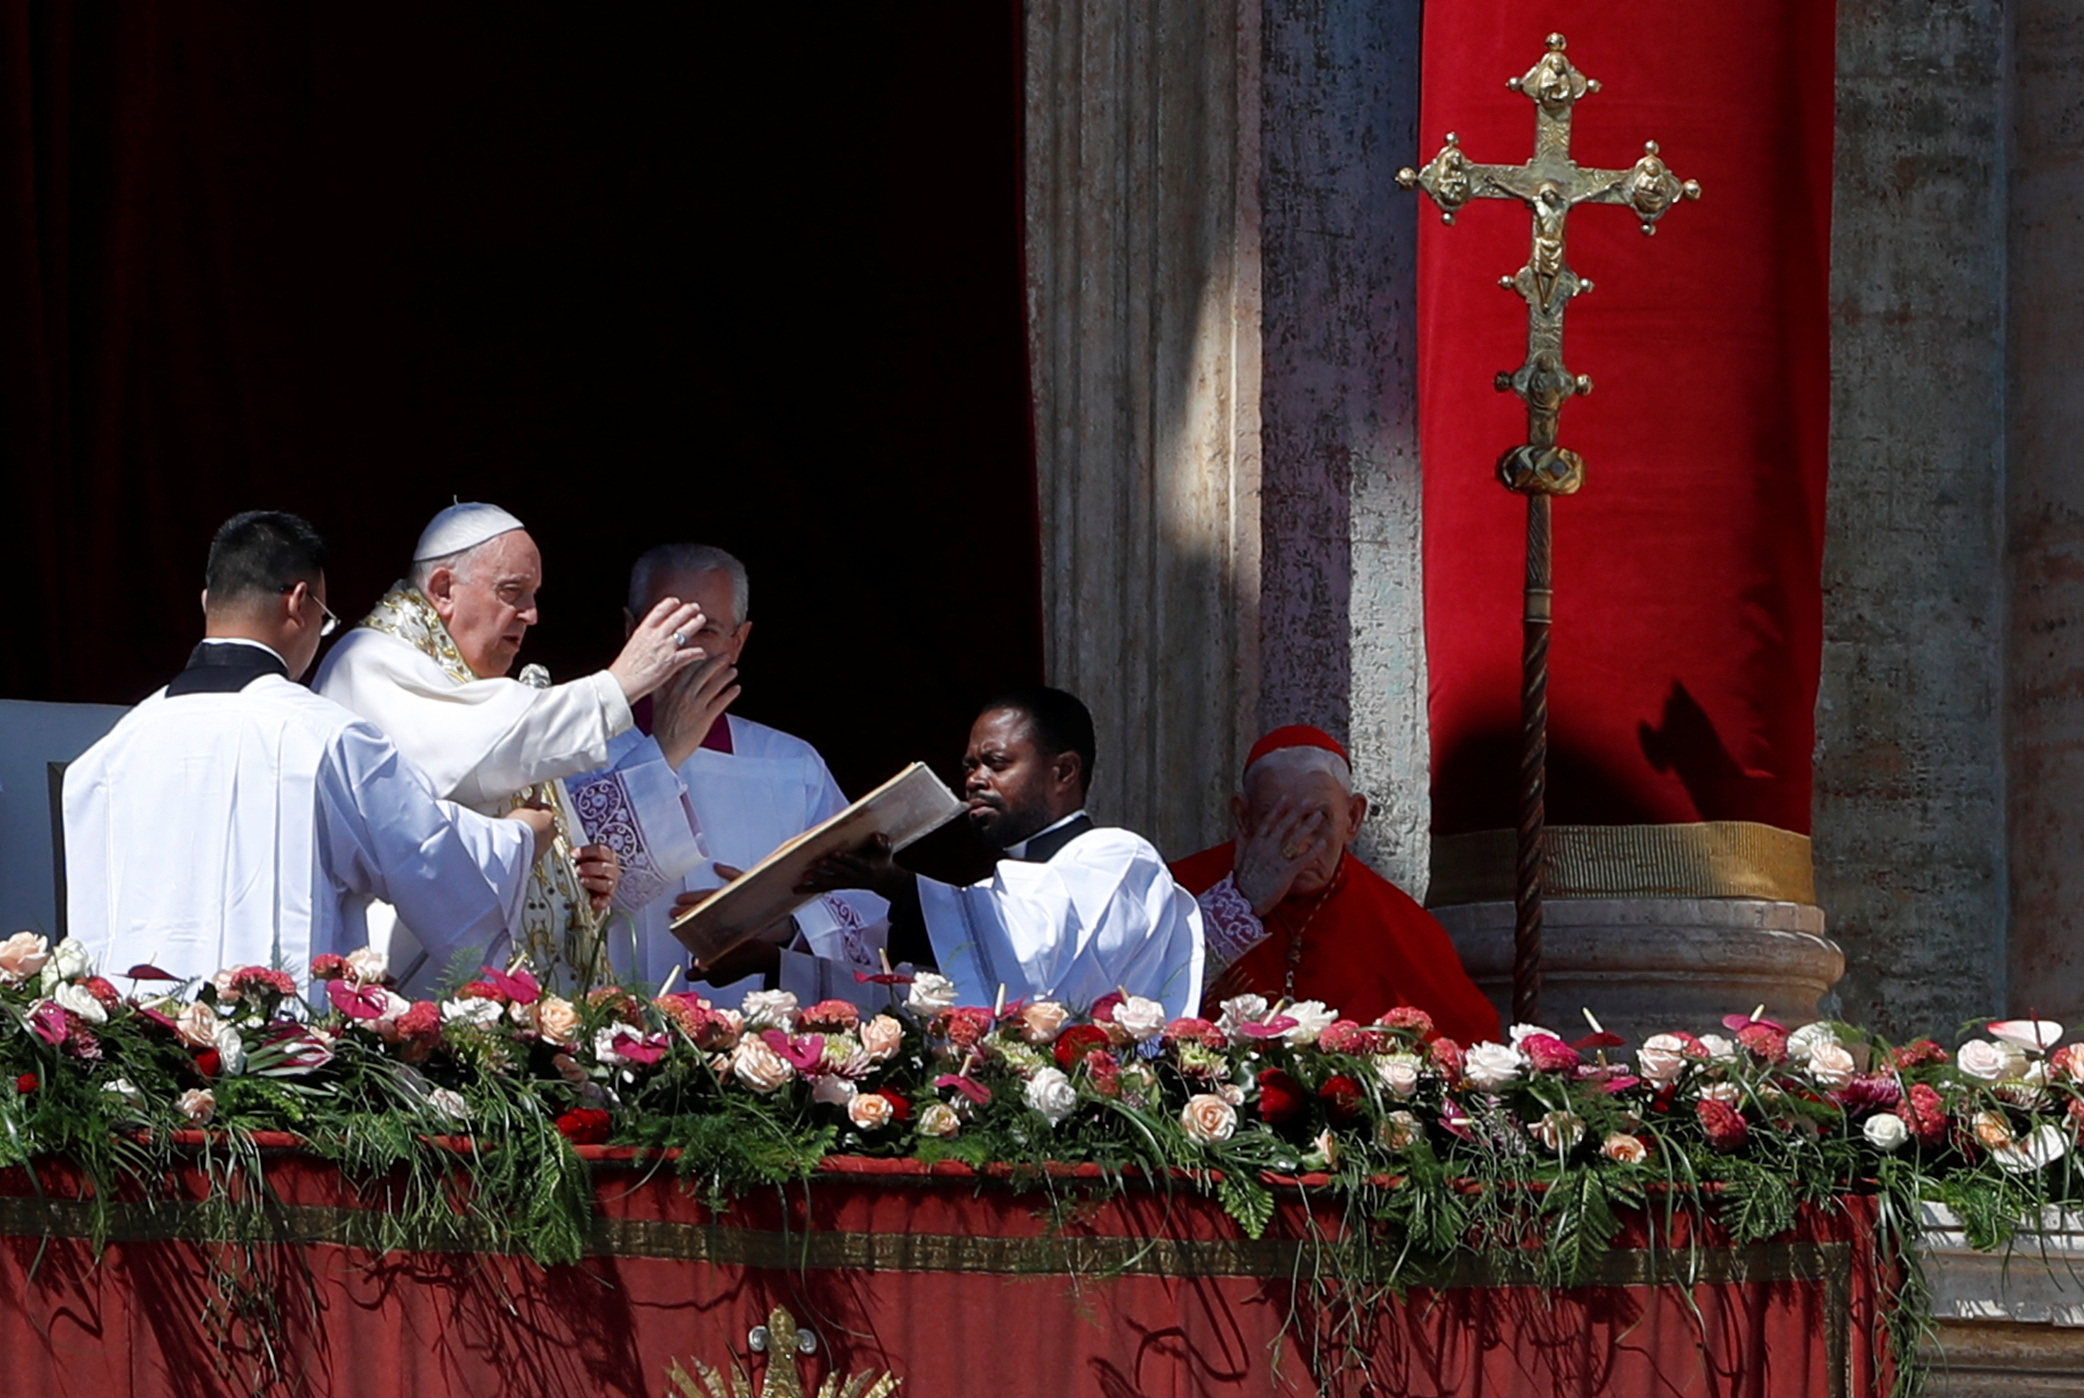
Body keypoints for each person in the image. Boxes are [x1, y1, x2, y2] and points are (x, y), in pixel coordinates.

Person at [63, 511, 552, 990]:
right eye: (325, 618)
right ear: (300, 602)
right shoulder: (327, 737)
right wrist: (516, 839)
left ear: (209, 600)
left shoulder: (106, 756)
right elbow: (425, 855)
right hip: (280, 1054)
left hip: (140, 1052)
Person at [313, 502, 724, 989]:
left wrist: (576, 879)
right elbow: (488, 751)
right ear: (444, 588)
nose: (531, 615)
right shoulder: (371, 663)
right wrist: (618, 685)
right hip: (412, 988)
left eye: (533, 595)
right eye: (513, 593)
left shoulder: (475, 686)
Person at [807, 686, 1204, 1018]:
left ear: (1064, 771)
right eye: (969, 767)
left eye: (996, 763)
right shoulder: (988, 900)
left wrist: (900, 885)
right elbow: (922, 981)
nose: (975, 780)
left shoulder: (1120, 858)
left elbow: (1036, 955)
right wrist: (775, 958)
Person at [616, 544, 888, 1006]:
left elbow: (865, 910)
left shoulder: (790, 765)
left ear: (738, 641)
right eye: (665, 626)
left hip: (757, 1050)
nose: (685, 647)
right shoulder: (577, 750)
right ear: (630, 630)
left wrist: (783, 926)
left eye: (708, 629)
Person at [1171, 725, 1499, 1044]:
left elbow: (1466, 1057)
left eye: (1317, 820)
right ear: (1243, 818)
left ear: (1353, 818)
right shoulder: (1180, 892)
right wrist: (1242, 902)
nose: (1296, 846)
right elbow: (1145, 994)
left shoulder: (1407, 928)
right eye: (1276, 821)